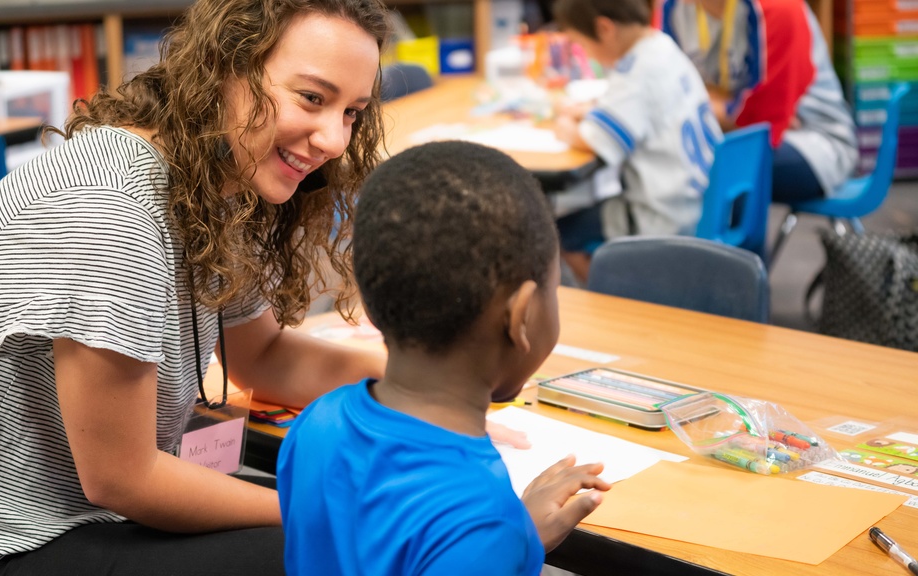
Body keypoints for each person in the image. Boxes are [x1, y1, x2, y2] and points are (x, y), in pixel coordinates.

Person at [0, 0, 390, 574]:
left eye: (353, 112)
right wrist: (315, 510)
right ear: (226, 67)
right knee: (327, 546)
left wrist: (418, 383)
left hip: (92, 510)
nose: (333, 138)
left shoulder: (217, 178)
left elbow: (266, 354)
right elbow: (122, 480)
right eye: (312, 98)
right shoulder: (109, 208)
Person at [277, 140, 612, 575]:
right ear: (522, 316)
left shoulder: (316, 423)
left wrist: (518, 538)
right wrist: (509, 543)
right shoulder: (484, 525)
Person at [550, 0, 722, 283]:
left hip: (664, 218)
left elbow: (591, 139)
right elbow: (638, 109)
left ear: (604, 29)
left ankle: (621, 304)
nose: (586, 53)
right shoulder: (661, 47)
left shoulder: (635, 74)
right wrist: (591, 111)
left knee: (560, 232)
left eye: (581, 44)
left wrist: (565, 123)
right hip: (700, 202)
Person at [660, 0, 858, 204]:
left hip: (813, 141)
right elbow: (664, 97)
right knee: (659, 158)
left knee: (709, 166)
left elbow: (758, 124)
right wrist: (725, 108)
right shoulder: (672, 8)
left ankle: (718, 237)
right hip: (726, 135)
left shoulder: (780, 8)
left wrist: (700, 103)